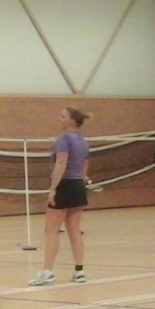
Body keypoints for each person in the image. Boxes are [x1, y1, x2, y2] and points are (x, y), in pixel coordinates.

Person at [28, 107, 91, 285]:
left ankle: (47, 271)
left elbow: (61, 163)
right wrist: (82, 180)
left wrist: (53, 188)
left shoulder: (64, 139)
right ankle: (79, 271)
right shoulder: (83, 141)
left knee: (51, 229)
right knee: (74, 230)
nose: (59, 119)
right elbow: (85, 167)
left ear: (72, 121)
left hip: (64, 184)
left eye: (63, 116)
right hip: (78, 185)